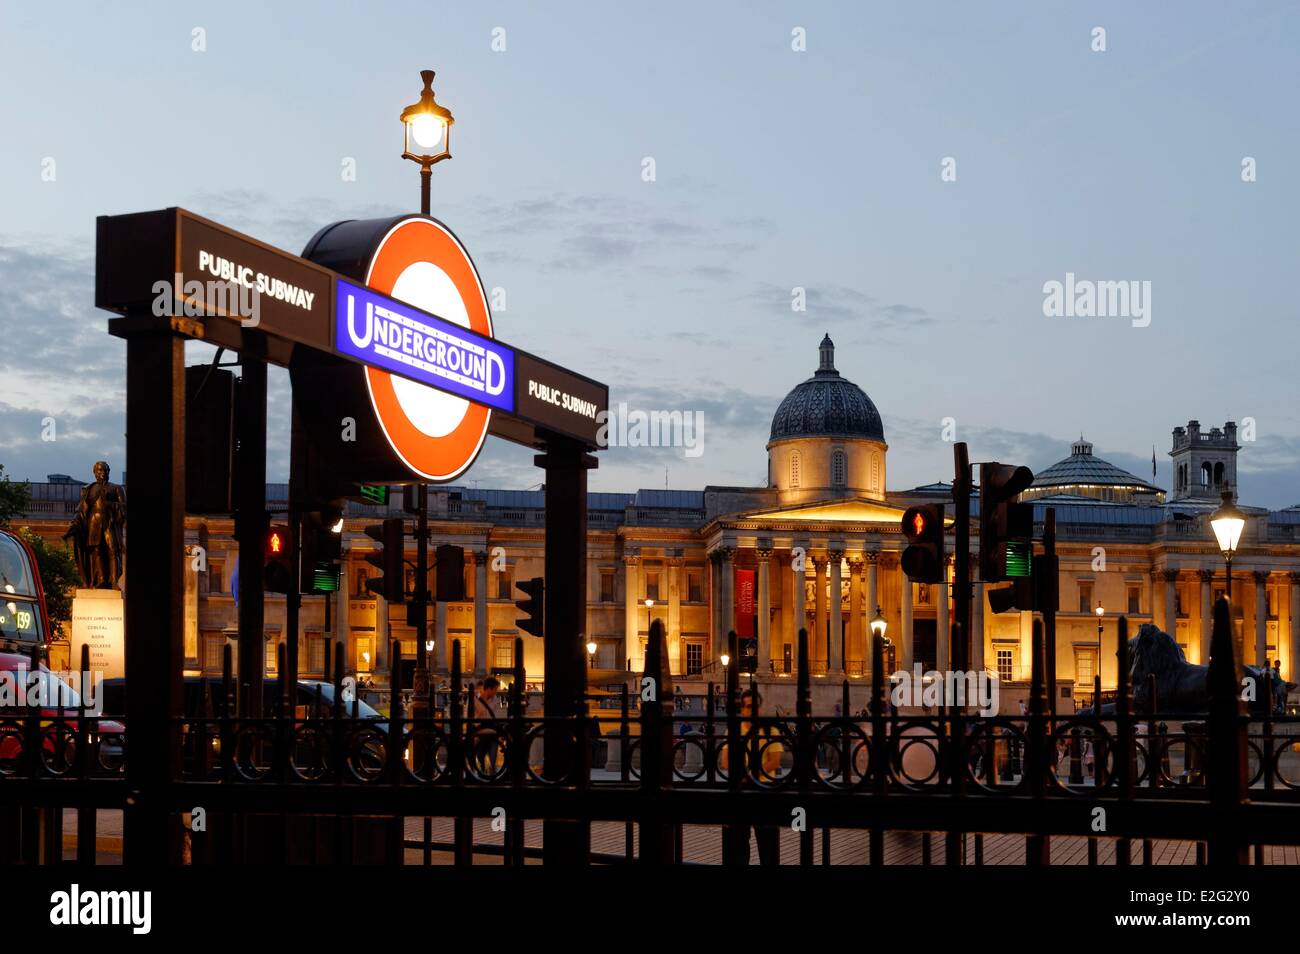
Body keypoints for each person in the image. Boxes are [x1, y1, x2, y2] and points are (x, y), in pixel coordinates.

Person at [719, 688, 783, 865]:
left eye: (754, 707)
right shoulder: (734, 730)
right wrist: (747, 776)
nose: (750, 711)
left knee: (767, 843)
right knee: (739, 844)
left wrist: (749, 775)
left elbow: (775, 761)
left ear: (760, 708)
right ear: (741, 708)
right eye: (747, 707)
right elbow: (725, 761)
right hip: (741, 791)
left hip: (763, 791)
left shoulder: (770, 730)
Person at [471, 677, 500, 776]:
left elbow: (495, 716)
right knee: (480, 756)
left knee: (492, 756)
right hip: (479, 731)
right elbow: (470, 716)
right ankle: (482, 772)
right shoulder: (475, 699)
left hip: (491, 730)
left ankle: (491, 771)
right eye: (495, 689)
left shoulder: (495, 700)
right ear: (489, 689)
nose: (496, 692)